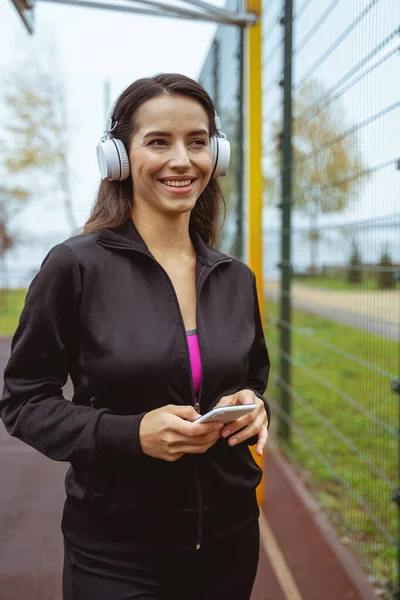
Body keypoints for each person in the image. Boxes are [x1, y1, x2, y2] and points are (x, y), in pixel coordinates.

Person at [0, 73, 270, 600]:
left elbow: (252, 382)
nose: (182, 160)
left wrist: (253, 405)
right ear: (118, 158)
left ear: (217, 153)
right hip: (115, 553)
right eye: (158, 141)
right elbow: (23, 401)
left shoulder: (236, 277)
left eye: (197, 142)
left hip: (231, 542)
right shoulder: (74, 266)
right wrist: (130, 435)